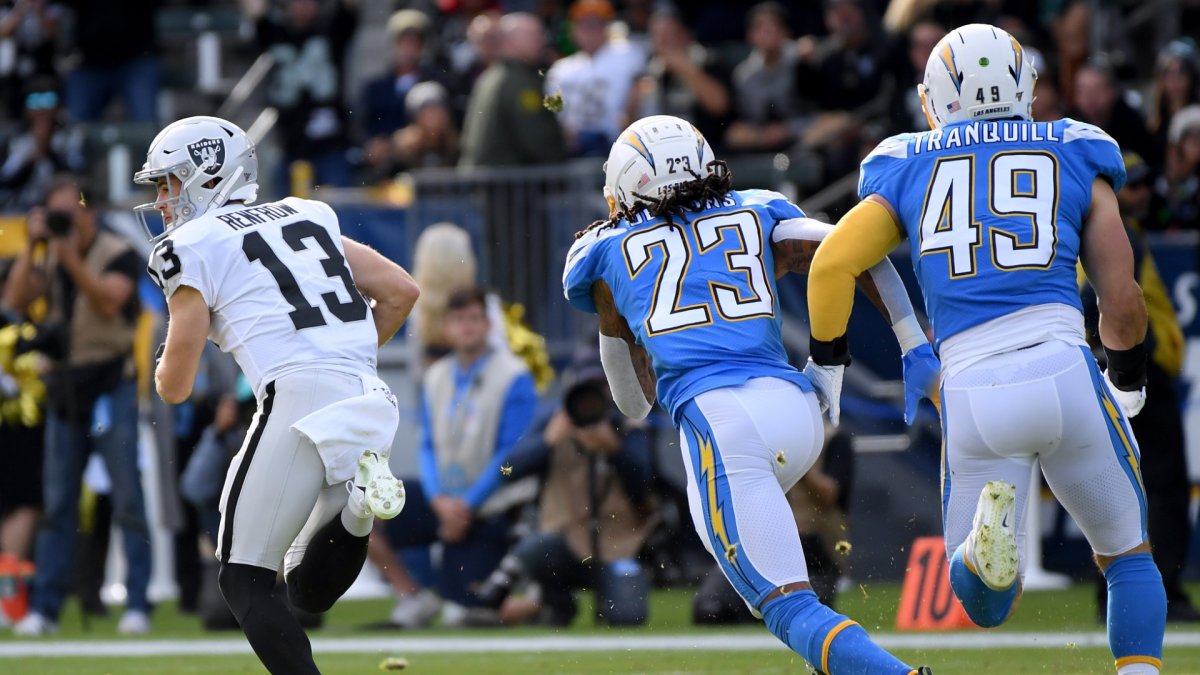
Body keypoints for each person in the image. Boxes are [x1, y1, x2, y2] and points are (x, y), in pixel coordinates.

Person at [806, 23, 1166, 674]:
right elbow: (1124, 300)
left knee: (985, 604)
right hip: (1064, 366)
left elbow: (831, 264)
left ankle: (981, 556)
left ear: (935, 97)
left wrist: (829, 358)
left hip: (972, 385)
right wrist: (1128, 379)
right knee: (1127, 555)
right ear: (1026, 85)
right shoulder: (1076, 148)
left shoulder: (907, 159)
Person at [562, 114, 937, 675]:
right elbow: (854, 251)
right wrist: (913, 345)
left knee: (786, 605)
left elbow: (633, 405)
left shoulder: (604, 252)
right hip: (799, 408)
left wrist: (613, 311)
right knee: (776, 579)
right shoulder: (757, 208)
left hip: (723, 424)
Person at [136, 115, 419, 674]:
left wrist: (161, 370)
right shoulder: (307, 213)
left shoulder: (192, 243)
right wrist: (342, 353)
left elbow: (176, 384)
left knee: (243, 580)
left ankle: (360, 510)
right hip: (366, 391)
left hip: (294, 395)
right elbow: (400, 291)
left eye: (169, 183)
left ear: (208, 175)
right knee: (305, 592)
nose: (164, 202)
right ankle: (359, 514)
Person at [3, 175, 151, 637]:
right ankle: (45, 608)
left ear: (90, 209)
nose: (71, 219)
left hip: (112, 384)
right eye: (59, 213)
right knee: (57, 501)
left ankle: (138, 603)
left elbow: (109, 303)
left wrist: (69, 258)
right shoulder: (48, 256)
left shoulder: (118, 251)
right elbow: (13, 302)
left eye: (74, 209)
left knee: (128, 498)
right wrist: (33, 246)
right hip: (67, 388)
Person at [381, 286, 537, 626]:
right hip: (444, 502)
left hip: (491, 507)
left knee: (463, 613)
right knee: (366, 509)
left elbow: (511, 458)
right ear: (447, 328)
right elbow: (426, 445)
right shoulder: (436, 376)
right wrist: (438, 500)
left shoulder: (514, 376)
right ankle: (411, 598)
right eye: (458, 319)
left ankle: (539, 600)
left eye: (474, 318)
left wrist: (467, 504)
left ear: (488, 325)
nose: (466, 326)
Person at [473, 349, 659, 627]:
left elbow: (648, 482)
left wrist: (615, 450)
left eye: (600, 390)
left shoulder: (629, 427)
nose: (590, 403)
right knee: (537, 548)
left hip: (618, 546)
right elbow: (505, 471)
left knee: (628, 618)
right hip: (566, 542)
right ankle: (555, 602)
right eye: (585, 392)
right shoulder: (553, 424)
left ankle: (579, 601)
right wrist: (546, 443)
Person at [459, 12, 566, 168]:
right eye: (534, 35)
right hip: (505, 184)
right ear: (512, 41)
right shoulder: (519, 83)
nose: (541, 41)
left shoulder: (492, 75)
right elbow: (536, 139)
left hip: (485, 181)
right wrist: (562, 154)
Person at [544, 0, 645, 157]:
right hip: (574, 148)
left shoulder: (628, 54)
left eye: (596, 24)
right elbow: (553, 110)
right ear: (573, 30)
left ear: (607, 27)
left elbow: (642, 89)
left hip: (618, 143)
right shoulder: (561, 69)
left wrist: (629, 119)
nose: (590, 32)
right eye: (584, 25)